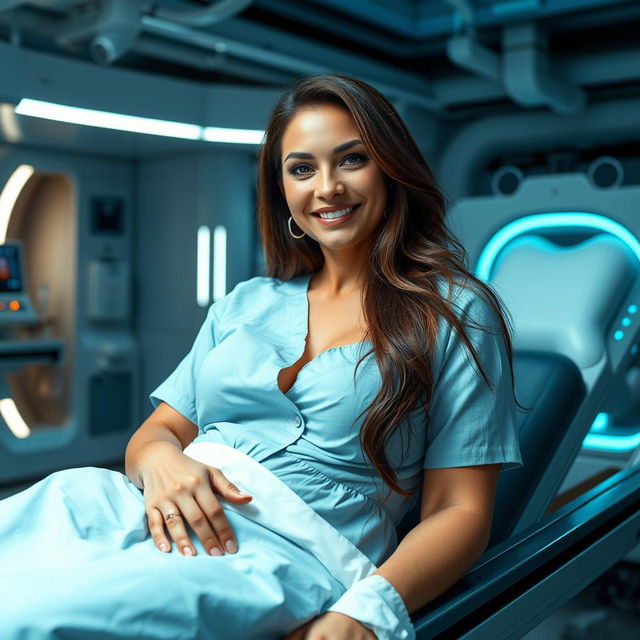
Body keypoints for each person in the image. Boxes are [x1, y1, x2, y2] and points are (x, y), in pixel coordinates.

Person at [0, 73, 523, 640]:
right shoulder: (245, 303)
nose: (327, 187)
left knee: (31, 619)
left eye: (351, 160)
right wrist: (160, 463)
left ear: (391, 171)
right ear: (283, 194)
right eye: (302, 168)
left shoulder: (454, 312)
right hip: (143, 503)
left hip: (271, 552)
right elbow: (157, 433)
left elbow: (460, 511)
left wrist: (365, 614)